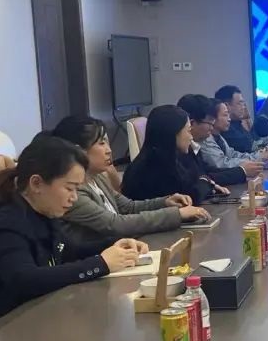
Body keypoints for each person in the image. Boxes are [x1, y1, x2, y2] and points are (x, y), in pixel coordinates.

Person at [0, 136, 147, 341]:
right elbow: (26, 279)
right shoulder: (5, 224)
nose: (74, 197)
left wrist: (115, 244)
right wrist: (101, 264)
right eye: (69, 188)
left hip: (20, 328)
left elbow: (69, 251)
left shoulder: (43, 212)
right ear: (36, 183)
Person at [49, 116, 209, 248]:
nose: (109, 150)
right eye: (101, 143)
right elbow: (115, 224)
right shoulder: (74, 192)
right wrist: (177, 214)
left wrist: (166, 202)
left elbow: (127, 207)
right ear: (79, 151)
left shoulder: (96, 177)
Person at [122, 105, 229, 204]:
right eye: (188, 131)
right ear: (173, 133)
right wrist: (205, 182)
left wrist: (206, 184)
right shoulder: (153, 166)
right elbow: (189, 198)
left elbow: (194, 181)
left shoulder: (168, 157)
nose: (191, 137)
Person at [177, 94, 256, 186]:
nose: (212, 127)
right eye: (209, 122)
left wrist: (243, 170)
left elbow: (207, 174)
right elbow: (197, 182)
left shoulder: (195, 146)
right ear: (192, 124)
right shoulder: (180, 152)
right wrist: (242, 171)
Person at [195, 98, 267, 177]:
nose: (229, 119)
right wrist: (251, 162)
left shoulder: (218, 136)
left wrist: (256, 156)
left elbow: (232, 154)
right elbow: (221, 164)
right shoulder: (205, 139)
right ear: (213, 118)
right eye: (225, 115)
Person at [215, 84, 254, 153]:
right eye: (239, 103)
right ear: (226, 105)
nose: (243, 107)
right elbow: (247, 144)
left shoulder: (237, 122)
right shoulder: (225, 128)